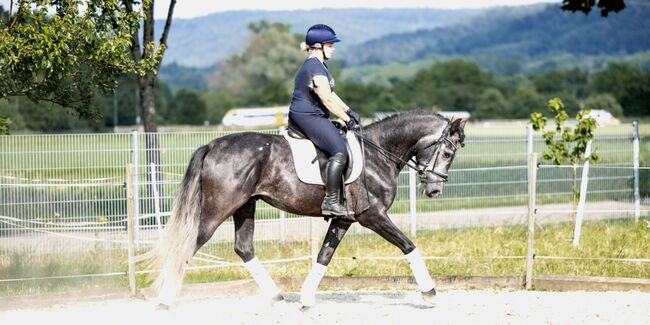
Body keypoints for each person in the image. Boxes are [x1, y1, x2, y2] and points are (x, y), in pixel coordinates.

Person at [288, 24, 361, 219]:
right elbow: (326, 99)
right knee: (340, 151)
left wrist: (348, 110)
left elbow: (332, 94)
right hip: (307, 116)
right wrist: (347, 120)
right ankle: (330, 201)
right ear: (318, 46)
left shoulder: (320, 66)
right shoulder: (314, 67)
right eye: (330, 44)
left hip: (313, 115)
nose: (333, 48)